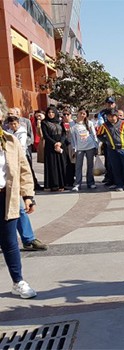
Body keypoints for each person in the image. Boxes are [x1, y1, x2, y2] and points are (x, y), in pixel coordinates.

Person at [0, 108, 38, 298]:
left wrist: (28, 196)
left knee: (9, 242)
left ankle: (18, 281)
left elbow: (24, 170)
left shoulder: (10, 140)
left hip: (6, 196)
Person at [97, 109, 124, 191]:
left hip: (123, 149)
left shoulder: (123, 123)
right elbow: (99, 135)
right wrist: (106, 141)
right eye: (109, 116)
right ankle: (119, 185)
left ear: (116, 116)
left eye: (113, 116)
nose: (111, 118)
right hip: (112, 150)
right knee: (115, 168)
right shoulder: (104, 126)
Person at [70, 109, 98, 191]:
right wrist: (74, 147)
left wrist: (96, 145)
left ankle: (91, 182)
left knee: (90, 165)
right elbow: (72, 137)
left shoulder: (89, 123)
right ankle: (77, 184)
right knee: (78, 166)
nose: (82, 115)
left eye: (84, 114)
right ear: (78, 113)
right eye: (81, 113)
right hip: (79, 148)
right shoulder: (73, 124)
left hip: (90, 146)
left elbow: (93, 134)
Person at [41, 106, 67, 192]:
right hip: (50, 146)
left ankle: (62, 184)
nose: (51, 114)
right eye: (49, 113)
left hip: (60, 145)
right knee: (52, 165)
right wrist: (55, 143)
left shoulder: (60, 122)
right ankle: (53, 185)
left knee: (61, 164)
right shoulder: (44, 123)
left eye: (52, 112)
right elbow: (45, 135)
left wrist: (60, 143)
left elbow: (64, 133)